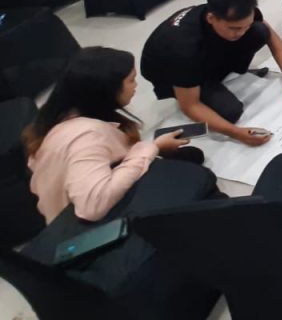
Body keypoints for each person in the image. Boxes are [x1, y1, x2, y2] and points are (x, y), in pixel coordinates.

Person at [23, 47, 196, 223]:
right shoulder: (86, 138)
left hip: (73, 200)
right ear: (107, 89)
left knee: (188, 157)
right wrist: (152, 148)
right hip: (90, 223)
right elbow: (92, 205)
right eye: (131, 80)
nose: (136, 86)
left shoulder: (60, 116)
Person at [141, 0, 282, 146]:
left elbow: (271, 36)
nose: (242, 32)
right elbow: (190, 106)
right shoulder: (183, 48)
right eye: (235, 28)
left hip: (200, 55)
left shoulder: (240, 12)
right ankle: (192, 88)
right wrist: (237, 133)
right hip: (169, 73)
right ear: (211, 18)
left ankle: (219, 73)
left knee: (259, 31)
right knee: (230, 112)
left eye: (246, 26)